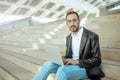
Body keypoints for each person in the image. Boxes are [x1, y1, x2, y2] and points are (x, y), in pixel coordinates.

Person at [33, 11, 104, 80]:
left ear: (79, 21)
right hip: (70, 65)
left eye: (74, 20)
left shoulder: (92, 36)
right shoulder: (69, 37)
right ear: (67, 23)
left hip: (85, 68)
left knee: (62, 70)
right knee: (48, 64)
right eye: (69, 21)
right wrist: (63, 58)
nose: (72, 23)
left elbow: (97, 60)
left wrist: (77, 61)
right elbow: (69, 56)